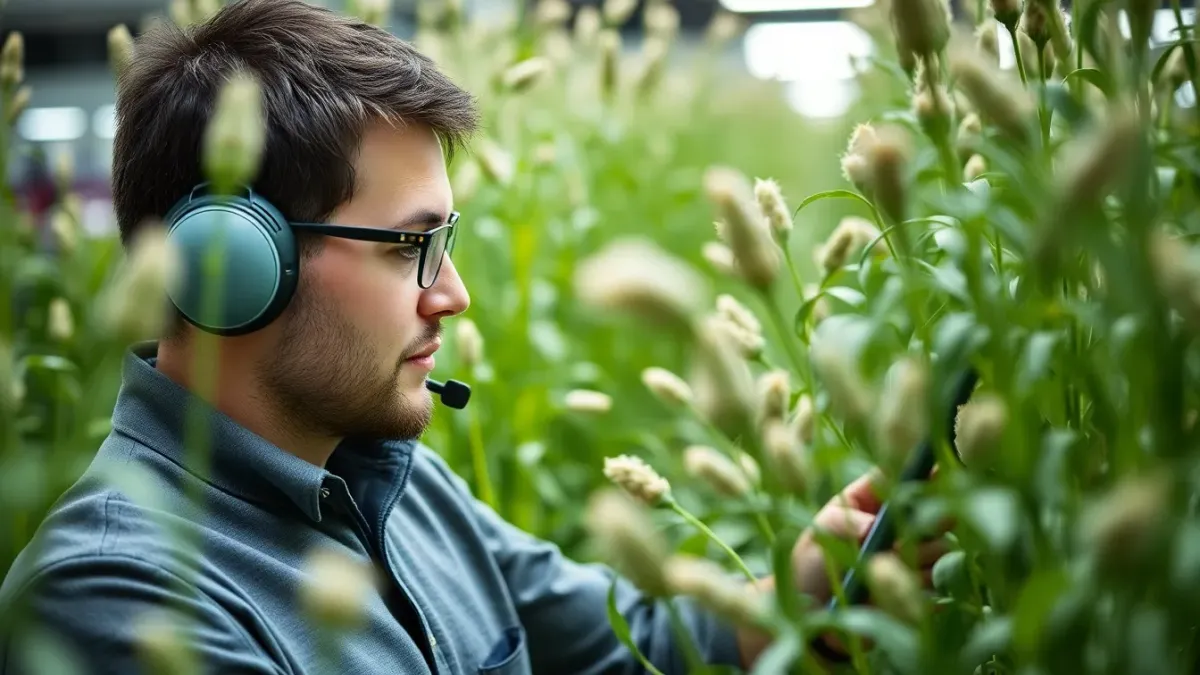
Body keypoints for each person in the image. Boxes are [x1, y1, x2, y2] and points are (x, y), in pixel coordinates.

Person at [0, 1, 947, 673]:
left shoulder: (395, 481)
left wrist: (806, 587)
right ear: (228, 265)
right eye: (410, 245)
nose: (451, 295)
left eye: (442, 242)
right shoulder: (118, 598)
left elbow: (645, 651)